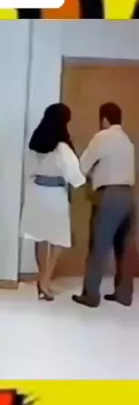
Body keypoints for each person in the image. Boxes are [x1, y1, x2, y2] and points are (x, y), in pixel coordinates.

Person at [72, 102, 136, 308]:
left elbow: (83, 166)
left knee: (98, 247)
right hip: (129, 196)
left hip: (109, 195)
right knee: (124, 248)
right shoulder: (127, 141)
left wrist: (91, 174)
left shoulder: (102, 137)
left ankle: (91, 295)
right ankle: (124, 295)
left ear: (104, 119)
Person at [20, 103, 85, 300]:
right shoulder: (62, 147)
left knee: (40, 237)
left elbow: (28, 170)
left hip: (36, 193)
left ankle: (41, 278)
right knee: (59, 240)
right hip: (55, 195)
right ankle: (45, 280)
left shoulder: (35, 143)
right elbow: (75, 176)